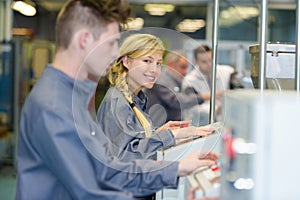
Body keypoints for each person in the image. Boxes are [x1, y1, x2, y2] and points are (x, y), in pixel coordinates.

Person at [16, 1, 219, 200]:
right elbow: (95, 189)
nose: (115, 53)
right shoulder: (54, 106)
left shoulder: (70, 97)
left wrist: (177, 168)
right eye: (111, 43)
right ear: (84, 39)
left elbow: (108, 167)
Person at [97, 34, 213, 162]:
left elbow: (135, 140)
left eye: (158, 63)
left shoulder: (136, 98)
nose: (154, 69)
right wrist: (171, 135)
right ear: (126, 62)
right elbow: (125, 157)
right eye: (147, 61)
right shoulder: (118, 102)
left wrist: (158, 132)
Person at [145, 50, 207, 127]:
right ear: (171, 65)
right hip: (158, 128)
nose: (185, 72)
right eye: (182, 67)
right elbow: (176, 101)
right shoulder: (161, 80)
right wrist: (203, 97)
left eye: (186, 68)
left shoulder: (176, 81)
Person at [181, 45, 234, 126]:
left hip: (223, 122)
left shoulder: (228, 72)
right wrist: (216, 110)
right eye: (204, 62)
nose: (209, 64)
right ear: (196, 61)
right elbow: (193, 106)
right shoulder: (189, 81)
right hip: (199, 124)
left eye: (210, 60)